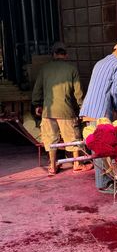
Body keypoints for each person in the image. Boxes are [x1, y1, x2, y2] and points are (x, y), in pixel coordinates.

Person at [80, 41, 117, 191]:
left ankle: (104, 180)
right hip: (101, 112)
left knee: (96, 147)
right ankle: (104, 184)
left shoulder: (100, 62)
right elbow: (115, 92)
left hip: (89, 108)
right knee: (102, 149)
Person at [32, 42, 93, 176]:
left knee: (50, 139)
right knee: (73, 138)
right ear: (66, 55)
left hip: (48, 112)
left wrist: (37, 104)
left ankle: (53, 166)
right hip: (66, 111)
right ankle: (77, 164)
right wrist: (82, 108)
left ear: (53, 54)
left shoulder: (44, 69)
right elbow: (78, 92)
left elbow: (37, 89)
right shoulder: (72, 69)